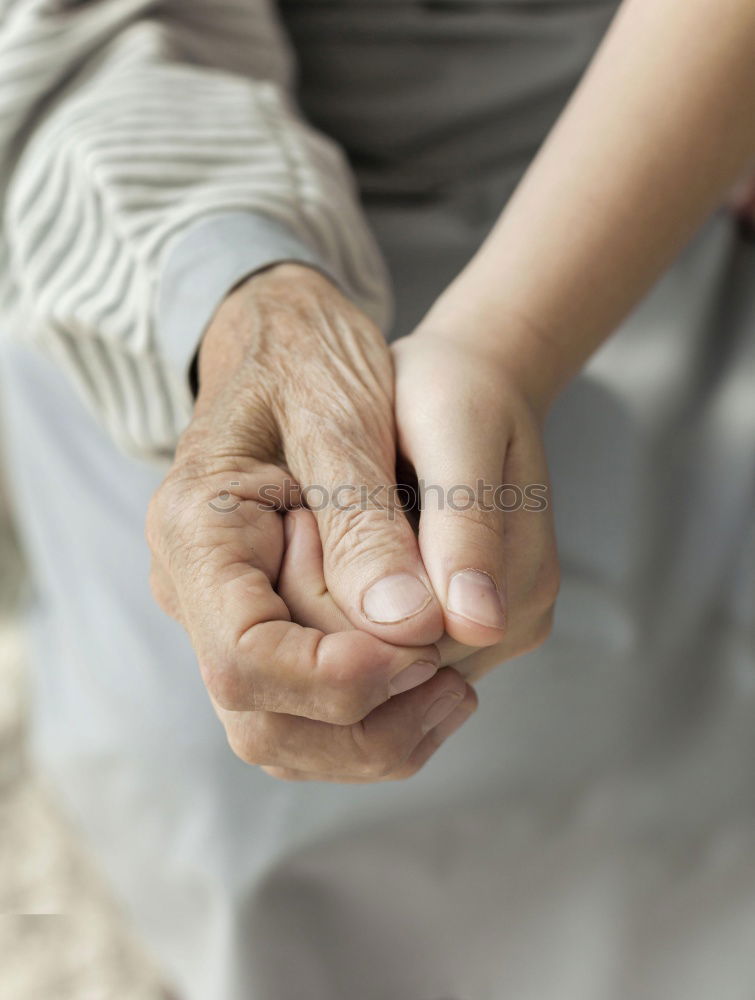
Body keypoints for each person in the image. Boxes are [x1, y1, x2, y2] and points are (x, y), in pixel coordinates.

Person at [1, 0, 754, 996]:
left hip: (642, 140)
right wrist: (246, 301)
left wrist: (503, 343)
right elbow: (82, 39)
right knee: (216, 727)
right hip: (166, 194)